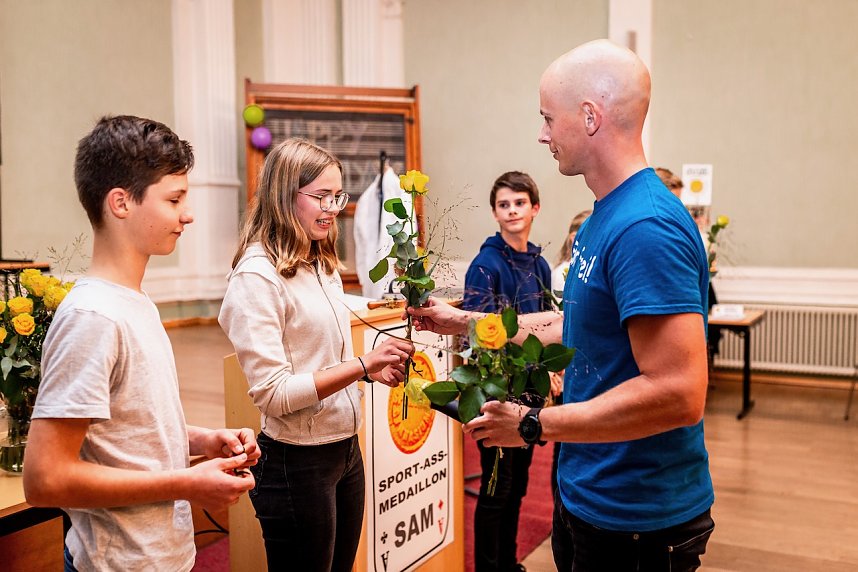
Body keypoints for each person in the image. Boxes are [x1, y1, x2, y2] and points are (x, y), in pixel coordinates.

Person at [407, 40, 714, 572]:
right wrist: (467, 323)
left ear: (589, 116)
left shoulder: (645, 226)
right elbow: (574, 326)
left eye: (549, 118)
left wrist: (532, 425)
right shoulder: (602, 216)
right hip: (589, 494)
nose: (542, 134)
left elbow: (679, 392)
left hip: (637, 517)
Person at [24, 115, 260, 572]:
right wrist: (187, 484)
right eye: (174, 199)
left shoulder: (134, 301)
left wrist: (204, 441)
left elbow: (122, 432)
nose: (186, 214)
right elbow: (45, 479)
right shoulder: (93, 317)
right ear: (121, 203)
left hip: (160, 555)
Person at [218, 138, 414, 572]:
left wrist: (367, 375)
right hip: (296, 462)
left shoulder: (320, 259)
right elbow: (274, 395)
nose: (333, 208)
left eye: (337, 196)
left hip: (344, 449)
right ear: (284, 196)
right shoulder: (256, 276)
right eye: (321, 197)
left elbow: (320, 357)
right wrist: (364, 364)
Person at [463, 170, 552, 572]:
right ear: (495, 213)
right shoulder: (486, 265)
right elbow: (478, 336)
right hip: (497, 390)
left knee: (518, 487)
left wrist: (549, 371)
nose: (512, 210)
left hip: (531, 388)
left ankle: (509, 563)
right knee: (496, 488)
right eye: (504, 204)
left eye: (519, 203)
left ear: (534, 207)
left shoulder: (541, 263)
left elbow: (549, 326)